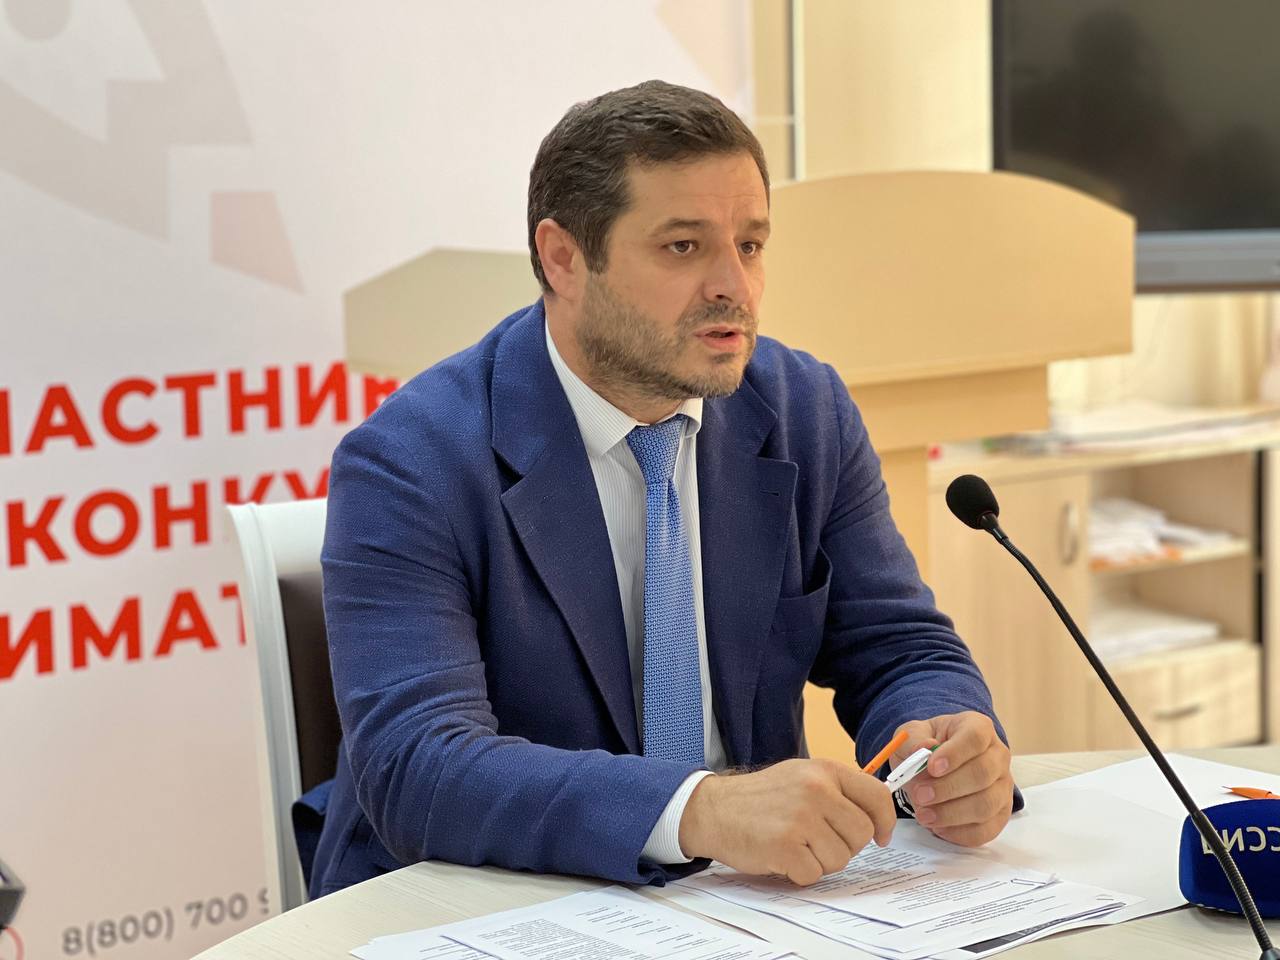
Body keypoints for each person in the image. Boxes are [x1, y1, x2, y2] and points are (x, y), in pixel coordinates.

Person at [310, 79, 1019, 899]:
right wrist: (696, 810)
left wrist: (946, 737)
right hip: (485, 902)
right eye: (683, 247)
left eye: (750, 245)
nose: (734, 287)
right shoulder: (410, 460)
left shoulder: (805, 411)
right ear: (563, 258)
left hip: (748, 904)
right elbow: (416, 766)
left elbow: (899, 647)